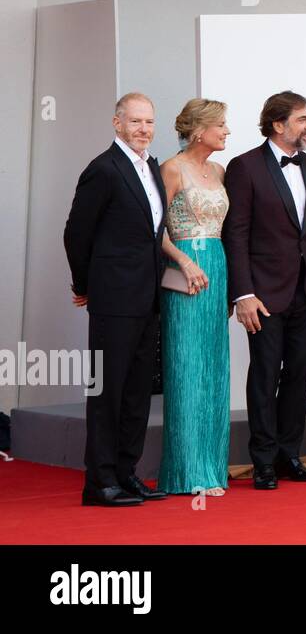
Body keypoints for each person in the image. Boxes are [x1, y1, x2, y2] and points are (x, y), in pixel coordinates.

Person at [225, 91, 306, 490]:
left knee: (300, 374)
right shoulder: (244, 167)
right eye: (303, 119)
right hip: (264, 294)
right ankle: (263, 461)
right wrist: (243, 293)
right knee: (265, 374)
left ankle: (290, 453)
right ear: (278, 124)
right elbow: (235, 235)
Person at [64, 92, 170, 507]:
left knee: (137, 391)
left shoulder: (151, 168)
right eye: (136, 122)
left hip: (147, 297)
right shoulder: (103, 169)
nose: (144, 130)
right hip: (114, 298)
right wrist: (84, 285)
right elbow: (76, 232)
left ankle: (127, 474)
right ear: (117, 123)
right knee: (108, 390)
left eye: (149, 122)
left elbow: (151, 233)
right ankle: (100, 481)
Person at [156, 99, 232, 496]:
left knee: (213, 367)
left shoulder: (218, 170)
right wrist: (184, 261)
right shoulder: (171, 168)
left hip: (217, 267)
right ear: (200, 130)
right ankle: (186, 472)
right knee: (187, 368)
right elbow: (155, 227)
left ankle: (212, 468)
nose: (226, 131)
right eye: (221, 125)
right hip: (186, 272)